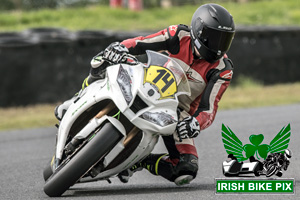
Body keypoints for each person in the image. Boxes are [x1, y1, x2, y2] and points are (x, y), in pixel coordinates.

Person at [55, 3, 235, 185]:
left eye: (225, 40)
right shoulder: (179, 35)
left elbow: (209, 108)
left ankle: (137, 162)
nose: (219, 47)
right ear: (199, 30)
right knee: (103, 58)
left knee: (185, 170)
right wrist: (121, 48)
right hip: (146, 81)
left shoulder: (222, 70)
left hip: (175, 112)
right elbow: (141, 43)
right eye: (214, 38)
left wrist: (195, 123)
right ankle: (75, 99)